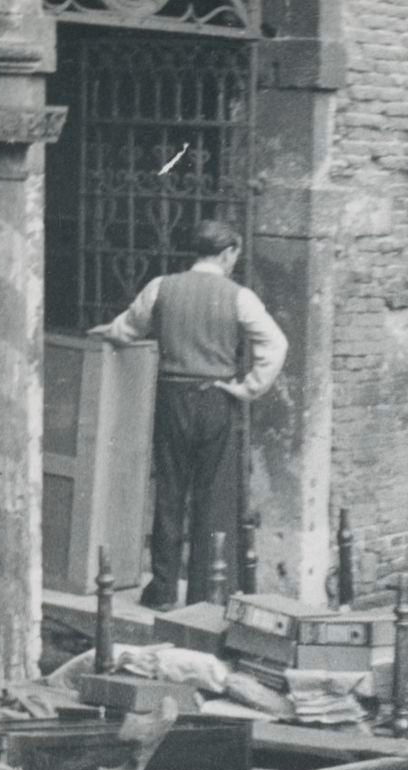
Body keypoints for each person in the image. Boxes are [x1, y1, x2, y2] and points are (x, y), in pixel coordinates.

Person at [90, 220, 288, 610]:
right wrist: (247, 388)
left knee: (169, 493)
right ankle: (204, 596)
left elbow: (127, 328)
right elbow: (275, 344)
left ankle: (162, 591)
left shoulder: (161, 287)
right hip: (215, 399)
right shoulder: (240, 297)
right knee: (211, 498)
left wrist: (105, 332)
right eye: (234, 256)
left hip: (172, 397)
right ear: (228, 253)